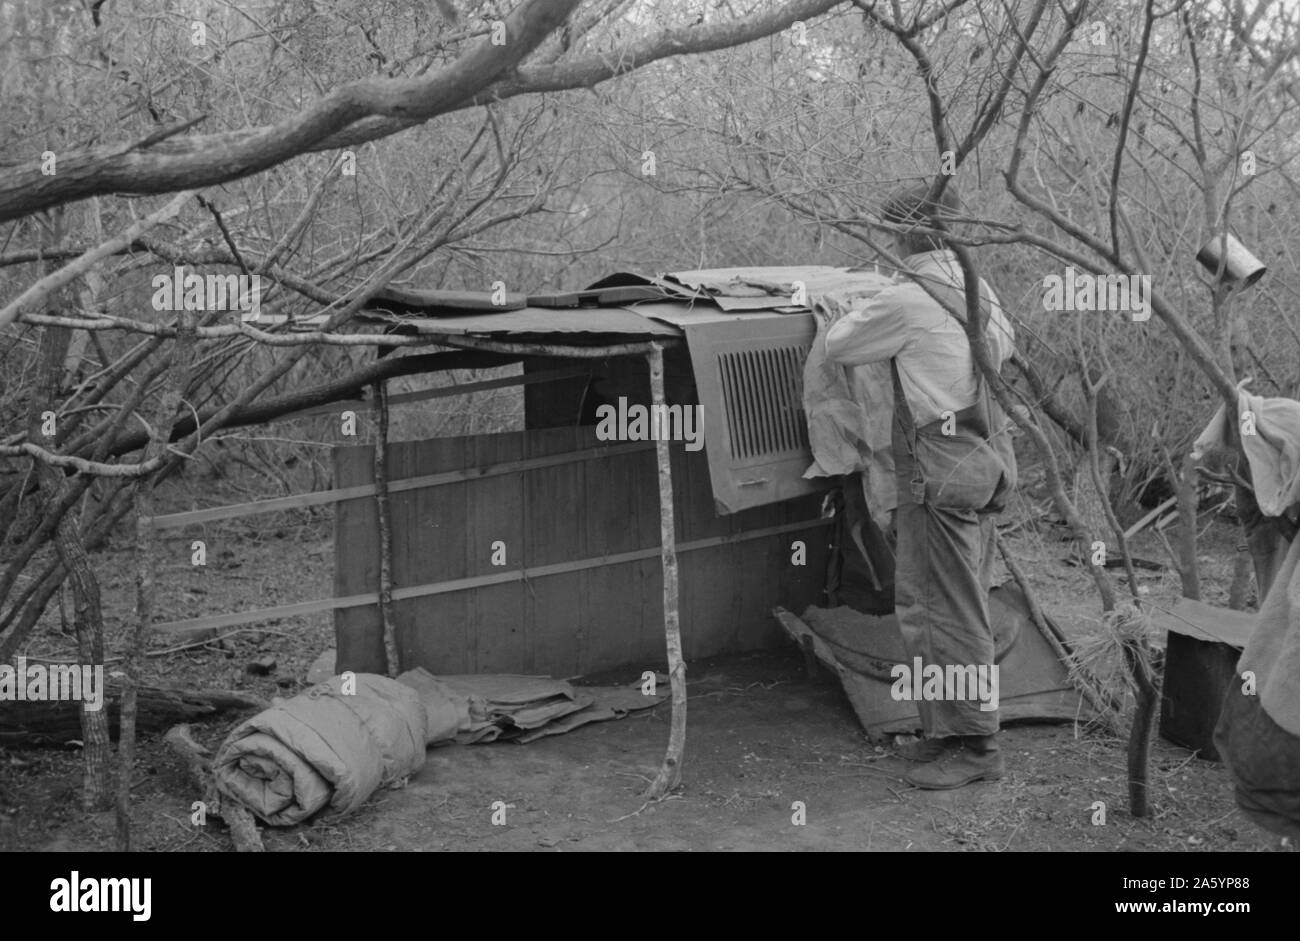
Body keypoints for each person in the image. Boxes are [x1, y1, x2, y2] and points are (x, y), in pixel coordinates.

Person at [823, 185, 1016, 790]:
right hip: (981, 460)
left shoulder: (910, 297)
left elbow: (840, 344)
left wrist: (870, 300)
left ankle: (976, 745)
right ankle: (952, 735)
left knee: (941, 612)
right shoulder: (976, 287)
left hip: (939, 473)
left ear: (901, 234)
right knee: (957, 604)